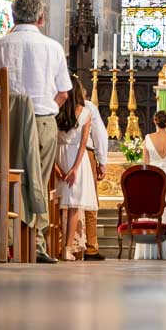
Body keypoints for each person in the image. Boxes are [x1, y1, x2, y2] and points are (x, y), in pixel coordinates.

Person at [0, 0, 72, 264]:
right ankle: (36, 244)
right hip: (42, 121)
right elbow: (64, 93)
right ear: (41, 18)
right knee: (38, 182)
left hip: (6, 120)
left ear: (12, 16)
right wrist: (50, 109)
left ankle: (6, 242)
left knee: (7, 179)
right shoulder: (53, 47)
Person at [54, 78, 98, 261]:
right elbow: (83, 145)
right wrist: (75, 168)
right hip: (76, 160)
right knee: (73, 206)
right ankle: (66, 248)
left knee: (55, 204)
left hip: (57, 155)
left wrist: (55, 167)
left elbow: (49, 139)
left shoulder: (55, 111)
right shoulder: (85, 112)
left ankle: (53, 246)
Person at [134, 111, 166, 260]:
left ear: (155, 122)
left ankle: (150, 251)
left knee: (153, 209)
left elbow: (145, 164)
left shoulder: (148, 138)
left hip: (153, 177)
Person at [82, 87, 108, 261]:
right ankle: (91, 248)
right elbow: (99, 134)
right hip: (86, 154)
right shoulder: (88, 107)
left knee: (63, 201)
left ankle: (62, 244)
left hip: (60, 154)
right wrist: (102, 162)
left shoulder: (60, 104)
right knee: (90, 201)